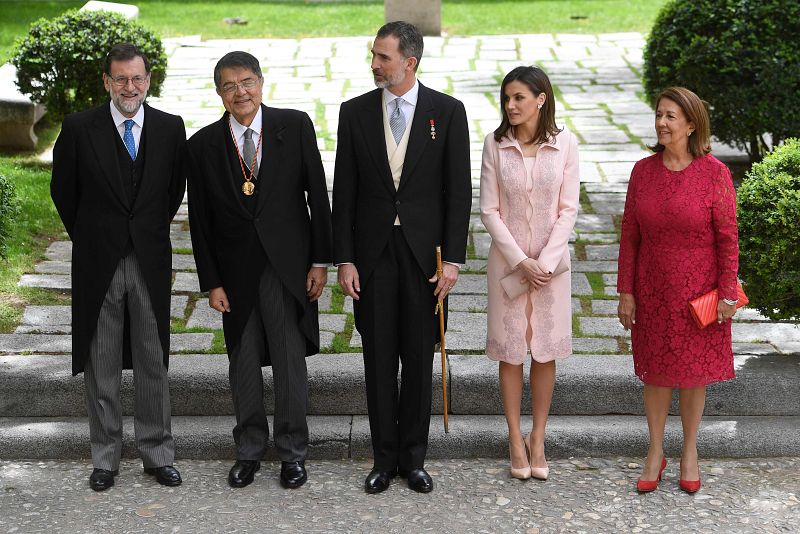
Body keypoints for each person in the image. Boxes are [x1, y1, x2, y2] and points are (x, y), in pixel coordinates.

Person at [332, 21, 471, 494]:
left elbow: (459, 193)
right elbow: (343, 194)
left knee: (417, 358)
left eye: (383, 58)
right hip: (371, 257)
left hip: (424, 259)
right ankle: (382, 460)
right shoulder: (353, 114)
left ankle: (414, 460)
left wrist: (452, 259)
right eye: (373, 56)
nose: (374, 64)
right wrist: (345, 259)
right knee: (377, 360)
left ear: (410, 62)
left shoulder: (448, 112)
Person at [187, 51, 332, 490]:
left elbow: (317, 199)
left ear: (262, 82)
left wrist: (320, 261)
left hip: (287, 268)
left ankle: (292, 452)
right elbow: (200, 220)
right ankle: (249, 449)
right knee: (243, 363)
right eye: (229, 86)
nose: (240, 92)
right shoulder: (204, 145)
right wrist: (211, 281)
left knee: (290, 362)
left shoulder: (295, 125)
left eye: (247, 82)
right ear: (219, 93)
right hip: (235, 274)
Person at [51, 43, 186, 491]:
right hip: (98, 260)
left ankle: (158, 453)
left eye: (138, 79)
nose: (130, 88)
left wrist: (142, 232)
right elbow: (63, 193)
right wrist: (94, 236)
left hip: (149, 257)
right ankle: (105, 458)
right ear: (107, 82)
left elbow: (171, 193)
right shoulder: (78, 128)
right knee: (101, 359)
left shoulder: (169, 128)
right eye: (121, 79)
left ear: (149, 81)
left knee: (152, 357)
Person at [617, 86, 739, 494]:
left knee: (692, 375)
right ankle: (655, 451)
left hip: (697, 292)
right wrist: (625, 291)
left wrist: (726, 292)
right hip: (652, 288)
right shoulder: (642, 171)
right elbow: (629, 237)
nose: (662, 123)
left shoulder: (715, 174)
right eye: (659, 115)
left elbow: (728, 237)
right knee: (655, 373)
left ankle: (689, 450)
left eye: (671, 116)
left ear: (691, 124)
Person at [479, 66, 579, 482]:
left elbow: (568, 209)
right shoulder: (495, 145)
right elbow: (489, 210)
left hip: (552, 270)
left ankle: (538, 436)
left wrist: (546, 261)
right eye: (506, 98)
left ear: (541, 99)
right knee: (510, 351)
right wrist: (522, 261)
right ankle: (513, 438)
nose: (511, 105)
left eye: (519, 97)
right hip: (510, 267)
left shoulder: (566, 143)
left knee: (545, 351)